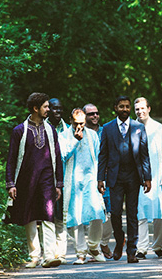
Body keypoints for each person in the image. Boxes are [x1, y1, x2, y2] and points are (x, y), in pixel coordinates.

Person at [5, 92, 63, 268]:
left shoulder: (50, 130)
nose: (49, 110)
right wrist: (11, 184)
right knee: (28, 217)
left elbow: (57, 157)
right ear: (36, 108)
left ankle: (50, 256)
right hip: (25, 180)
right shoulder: (19, 131)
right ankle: (34, 257)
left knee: (48, 214)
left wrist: (59, 183)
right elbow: (11, 159)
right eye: (46, 107)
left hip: (46, 180)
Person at [97, 96, 152, 263]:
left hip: (134, 177)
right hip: (115, 177)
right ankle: (119, 239)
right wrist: (100, 178)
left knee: (132, 214)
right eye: (121, 106)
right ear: (116, 107)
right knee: (114, 213)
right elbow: (103, 155)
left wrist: (147, 177)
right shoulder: (107, 128)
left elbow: (144, 155)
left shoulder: (138, 127)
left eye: (127, 107)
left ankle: (132, 251)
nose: (125, 109)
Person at [59, 108, 107, 264]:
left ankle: (94, 246)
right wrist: (75, 139)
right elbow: (63, 156)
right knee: (76, 217)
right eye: (76, 123)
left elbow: (99, 158)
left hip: (91, 180)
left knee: (98, 215)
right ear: (71, 120)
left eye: (82, 123)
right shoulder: (64, 135)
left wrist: (101, 179)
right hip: (73, 182)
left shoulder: (92, 135)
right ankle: (81, 253)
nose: (80, 126)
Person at [134, 97, 162, 259]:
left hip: (157, 175)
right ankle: (141, 248)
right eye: (137, 109)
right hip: (138, 178)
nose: (140, 112)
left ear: (149, 109)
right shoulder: (131, 128)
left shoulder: (159, 129)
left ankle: (158, 246)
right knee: (140, 214)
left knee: (159, 214)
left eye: (143, 108)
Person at [84, 103, 113, 259]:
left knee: (108, 212)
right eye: (90, 114)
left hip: (107, 179)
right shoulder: (81, 133)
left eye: (96, 113)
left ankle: (103, 242)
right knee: (92, 213)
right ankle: (92, 247)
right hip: (88, 178)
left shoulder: (105, 131)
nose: (95, 116)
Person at [47, 98, 70, 263]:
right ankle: (48, 252)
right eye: (55, 108)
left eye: (60, 109)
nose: (58, 112)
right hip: (44, 178)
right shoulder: (41, 127)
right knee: (46, 216)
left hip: (63, 180)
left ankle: (61, 253)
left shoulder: (67, 130)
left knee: (61, 217)